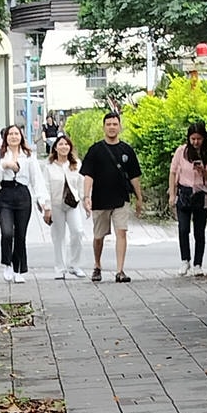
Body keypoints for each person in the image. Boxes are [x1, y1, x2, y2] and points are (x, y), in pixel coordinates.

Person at [80, 106, 143, 282]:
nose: (112, 127)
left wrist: (139, 198)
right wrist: (86, 197)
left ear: (120, 127)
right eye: (108, 124)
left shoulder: (127, 150)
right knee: (98, 236)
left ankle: (120, 270)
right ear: (104, 127)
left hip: (121, 198)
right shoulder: (95, 150)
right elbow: (88, 175)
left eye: (115, 124)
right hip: (100, 199)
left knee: (121, 232)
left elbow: (134, 177)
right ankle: (97, 265)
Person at [0, 122, 48, 279]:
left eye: (16, 134)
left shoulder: (28, 155)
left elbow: (36, 179)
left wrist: (42, 200)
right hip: (5, 195)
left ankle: (18, 269)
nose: (13, 137)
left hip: (23, 195)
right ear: (5, 137)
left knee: (20, 235)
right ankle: (7, 264)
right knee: (7, 232)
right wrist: (4, 165)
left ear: (21, 136)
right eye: (10, 134)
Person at [168, 121, 207, 275]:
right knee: (183, 229)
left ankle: (198, 264)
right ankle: (185, 260)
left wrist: (203, 171)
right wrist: (172, 194)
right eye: (193, 139)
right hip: (184, 192)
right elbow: (172, 172)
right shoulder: (181, 151)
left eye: (199, 139)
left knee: (199, 231)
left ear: (204, 138)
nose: (196, 142)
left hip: (201, 194)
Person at [45, 133, 86, 279]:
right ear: (55, 148)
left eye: (66, 144)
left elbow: (81, 184)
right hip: (56, 205)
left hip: (72, 204)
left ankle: (75, 265)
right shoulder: (49, 167)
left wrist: (86, 201)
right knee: (58, 236)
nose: (64, 147)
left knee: (78, 231)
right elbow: (46, 187)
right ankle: (60, 268)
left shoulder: (76, 164)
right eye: (61, 144)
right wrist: (47, 207)